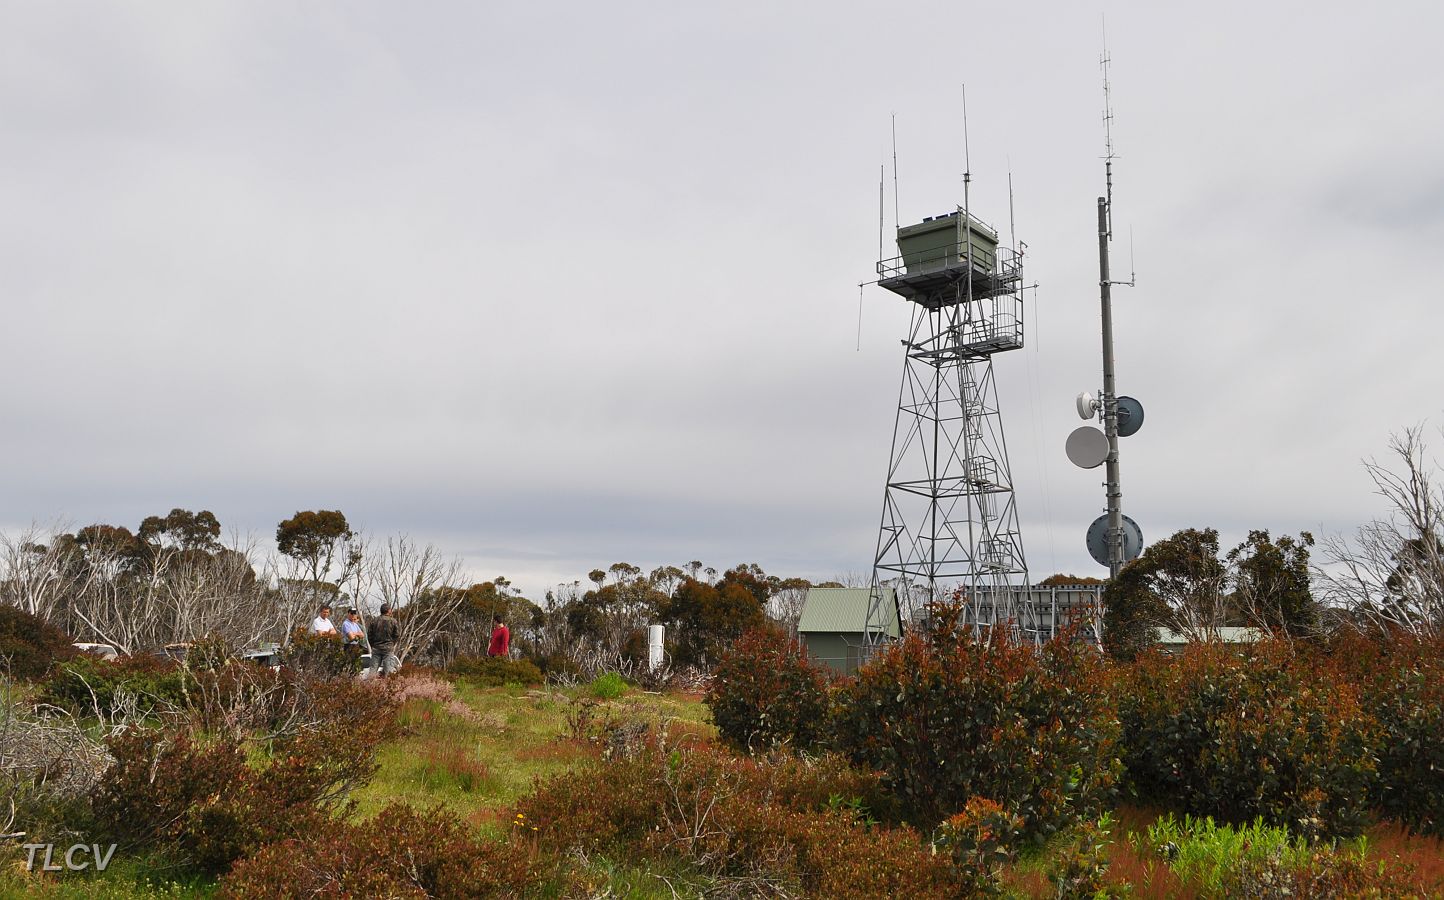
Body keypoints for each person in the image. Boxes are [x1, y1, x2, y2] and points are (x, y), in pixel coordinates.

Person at [367, 603, 401, 677]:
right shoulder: (393, 621)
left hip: (376, 648)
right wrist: (392, 644)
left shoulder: (374, 621)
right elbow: (397, 635)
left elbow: (369, 635)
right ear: (389, 611)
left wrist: (373, 645)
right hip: (388, 649)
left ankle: (369, 686)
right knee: (389, 671)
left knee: (373, 670)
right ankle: (388, 687)